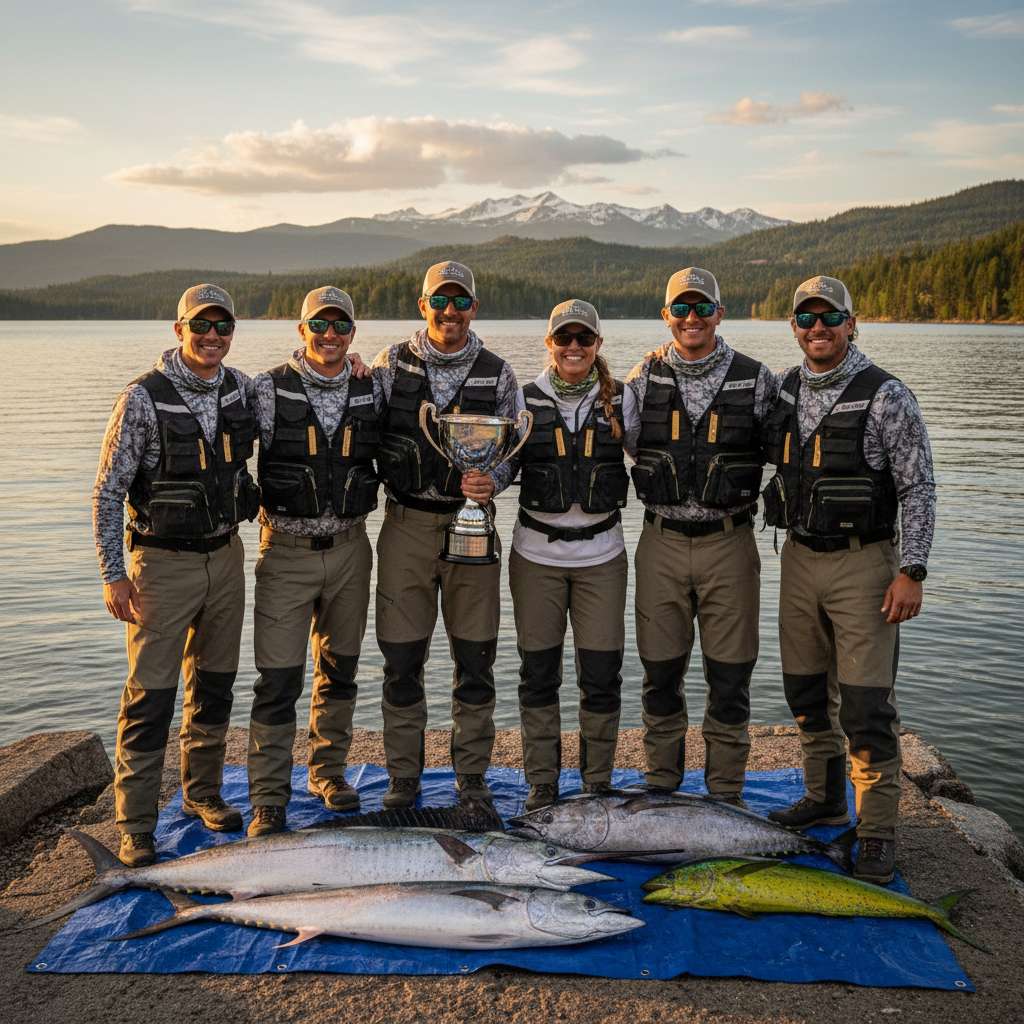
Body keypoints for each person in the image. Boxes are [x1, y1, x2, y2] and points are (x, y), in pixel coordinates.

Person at [763, 275, 936, 884]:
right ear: (794, 328)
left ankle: (878, 831)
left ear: (851, 323)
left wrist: (911, 570)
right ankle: (825, 797)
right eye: (806, 319)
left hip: (866, 562)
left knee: (864, 703)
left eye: (829, 318)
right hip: (799, 559)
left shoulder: (887, 395)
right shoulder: (781, 390)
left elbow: (917, 487)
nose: (817, 329)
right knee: (807, 693)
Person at [93, 283, 260, 866]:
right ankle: (136, 823)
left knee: (213, 686)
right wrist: (115, 575)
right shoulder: (141, 398)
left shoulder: (243, 389)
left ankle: (202, 793)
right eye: (201, 325)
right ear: (179, 329)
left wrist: (360, 363)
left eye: (223, 326)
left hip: (226, 556)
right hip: (159, 566)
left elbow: (309, 381)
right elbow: (108, 492)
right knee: (150, 696)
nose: (212, 336)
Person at [371, 260, 518, 808]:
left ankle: (472, 778)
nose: (449, 311)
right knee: (402, 659)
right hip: (406, 525)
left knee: (475, 659)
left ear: (473, 307)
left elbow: (513, 456)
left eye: (460, 301)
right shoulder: (389, 364)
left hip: (472, 529)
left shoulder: (499, 373)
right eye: (440, 300)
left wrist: (492, 480)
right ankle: (402, 778)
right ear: (422, 304)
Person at [626, 267, 776, 804]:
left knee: (730, 675)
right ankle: (662, 784)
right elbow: (611, 433)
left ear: (720, 312)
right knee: (659, 673)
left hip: (729, 543)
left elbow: (793, 452)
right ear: (666, 316)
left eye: (703, 307)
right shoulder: (641, 377)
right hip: (661, 542)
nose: (693, 318)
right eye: (682, 309)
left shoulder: (758, 380)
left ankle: (726, 794)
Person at [245, 286, 384, 837]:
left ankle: (327, 773)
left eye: (340, 327)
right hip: (285, 550)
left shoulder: (370, 387)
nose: (329, 336)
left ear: (353, 334)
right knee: (278, 679)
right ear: (300, 331)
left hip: (352, 547)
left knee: (339, 670)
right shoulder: (263, 389)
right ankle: (268, 797)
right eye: (318, 326)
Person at [509, 300, 640, 810]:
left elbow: (648, 455)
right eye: (564, 338)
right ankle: (542, 781)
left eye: (584, 338)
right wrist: (481, 481)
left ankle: (597, 781)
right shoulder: (522, 399)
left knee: (602, 673)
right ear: (549, 343)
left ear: (598, 345)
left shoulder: (622, 400)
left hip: (603, 557)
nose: (573, 347)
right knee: (538, 671)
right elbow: (502, 466)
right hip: (535, 555)